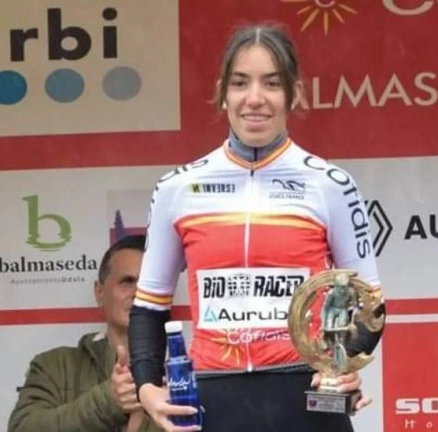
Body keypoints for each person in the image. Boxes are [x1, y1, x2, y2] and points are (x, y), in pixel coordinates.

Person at [128, 22, 387, 432]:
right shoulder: (177, 188)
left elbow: (370, 302)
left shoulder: (330, 184)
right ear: (222, 94)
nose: (255, 98)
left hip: (306, 396)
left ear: (294, 93)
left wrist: (341, 365)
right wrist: (146, 387)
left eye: (271, 83)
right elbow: (148, 306)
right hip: (214, 397)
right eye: (240, 83)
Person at [8, 235, 162, 432]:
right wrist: (108, 402)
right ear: (99, 292)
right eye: (127, 281)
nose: (139, 293)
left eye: (150, 285)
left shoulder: (188, 372)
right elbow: (22, 428)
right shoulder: (54, 366)